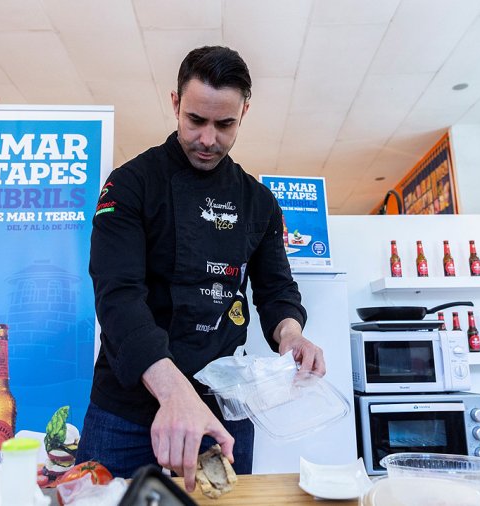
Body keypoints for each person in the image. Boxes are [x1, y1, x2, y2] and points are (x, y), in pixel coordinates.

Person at [77, 45, 326, 492]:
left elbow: (275, 290)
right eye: (196, 120)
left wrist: (291, 334)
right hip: (127, 413)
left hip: (221, 412)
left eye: (224, 124)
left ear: (244, 112)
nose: (208, 139)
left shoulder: (259, 202)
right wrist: (175, 393)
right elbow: (118, 298)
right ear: (175, 104)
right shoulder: (130, 184)